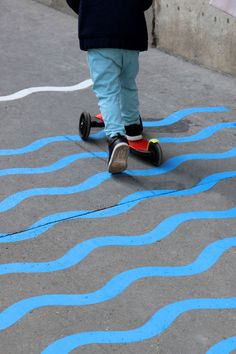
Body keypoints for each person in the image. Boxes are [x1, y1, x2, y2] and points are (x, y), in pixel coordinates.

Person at [66, 0, 153, 173]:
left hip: (98, 30)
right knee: (127, 83)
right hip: (131, 32)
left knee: (107, 91)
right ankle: (132, 126)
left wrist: (87, 11)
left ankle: (115, 137)